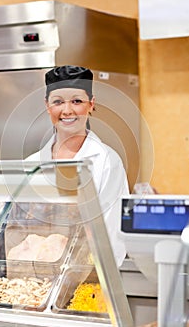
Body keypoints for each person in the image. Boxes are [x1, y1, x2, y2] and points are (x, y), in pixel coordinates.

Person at [26, 65, 129, 266]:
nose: (67, 110)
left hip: (88, 278)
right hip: (35, 279)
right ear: (47, 106)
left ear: (91, 104)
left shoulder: (106, 162)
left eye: (76, 101)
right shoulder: (31, 164)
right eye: (58, 102)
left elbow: (112, 233)